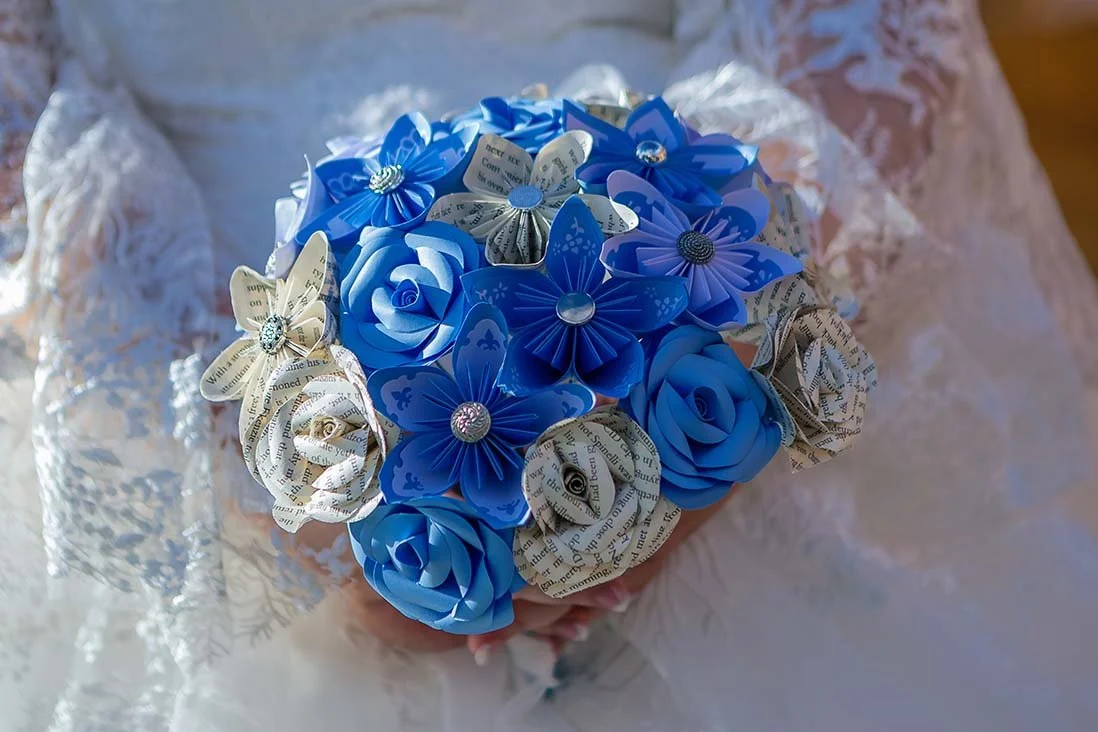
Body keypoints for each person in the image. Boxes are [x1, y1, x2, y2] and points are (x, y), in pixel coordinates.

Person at [3, 1, 1098, 729]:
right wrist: (277, 483)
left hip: (681, 305)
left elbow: (861, 41)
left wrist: (698, 404)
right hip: (190, 374)